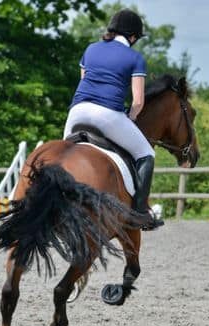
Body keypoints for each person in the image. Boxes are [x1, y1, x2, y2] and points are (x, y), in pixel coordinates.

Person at [63, 9, 163, 230]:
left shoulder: (90, 49)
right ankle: (138, 213)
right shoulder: (135, 58)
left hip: (77, 111)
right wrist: (131, 117)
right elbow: (138, 102)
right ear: (133, 36)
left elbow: (84, 81)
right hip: (107, 114)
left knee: (63, 155)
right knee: (146, 153)